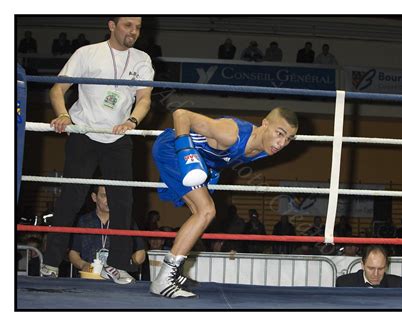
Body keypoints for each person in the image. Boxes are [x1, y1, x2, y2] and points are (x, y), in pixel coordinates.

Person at [40, 17, 154, 285]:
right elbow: (58, 90)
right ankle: (50, 262)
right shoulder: (87, 53)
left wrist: (132, 121)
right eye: (128, 25)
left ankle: (116, 265)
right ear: (112, 25)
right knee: (71, 198)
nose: (133, 32)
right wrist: (63, 116)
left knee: (123, 203)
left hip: (119, 135)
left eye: (137, 27)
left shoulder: (142, 59)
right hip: (84, 132)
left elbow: (145, 98)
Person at [150, 106, 298, 298]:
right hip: (173, 149)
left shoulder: (262, 147)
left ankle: (172, 272)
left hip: (205, 162)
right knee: (206, 211)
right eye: (280, 133)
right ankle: (163, 279)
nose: (281, 143)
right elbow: (181, 115)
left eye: (288, 139)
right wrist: (186, 152)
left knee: (201, 213)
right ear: (265, 123)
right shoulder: (231, 133)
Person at [68, 186, 146, 280]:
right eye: (104, 195)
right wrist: (83, 264)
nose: (109, 200)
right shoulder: (84, 221)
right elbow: (73, 252)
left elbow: (141, 253)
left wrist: (127, 264)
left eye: (113, 196)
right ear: (94, 197)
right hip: (90, 277)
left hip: (119, 279)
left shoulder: (126, 221)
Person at [336, 245, 402, 288]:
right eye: (371, 268)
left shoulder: (397, 284)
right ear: (362, 265)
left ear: (386, 267)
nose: (376, 274)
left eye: (380, 269)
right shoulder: (344, 284)